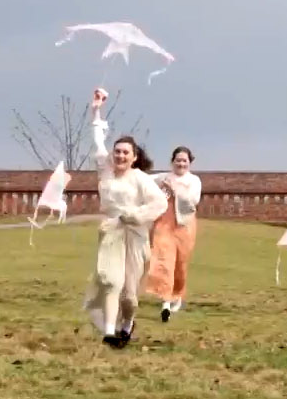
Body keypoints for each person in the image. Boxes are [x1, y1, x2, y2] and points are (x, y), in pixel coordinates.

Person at [83, 89, 168, 348]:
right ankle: (110, 331)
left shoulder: (140, 179)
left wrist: (134, 216)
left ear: (134, 158)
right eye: (117, 151)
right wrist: (96, 109)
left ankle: (127, 324)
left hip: (135, 237)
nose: (120, 156)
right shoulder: (105, 170)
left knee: (129, 295)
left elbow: (159, 203)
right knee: (111, 282)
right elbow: (97, 140)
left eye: (125, 153)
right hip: (111, 233)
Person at [143, 146, 202, 322]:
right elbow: (142, 181)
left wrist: (175, 190)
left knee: (180, 265)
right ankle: (166, 303)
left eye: (184, 160)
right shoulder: (163, 177)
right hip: (163, 225)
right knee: (164, 261)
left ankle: (177, 295)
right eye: (178, 160)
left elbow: (193, 200)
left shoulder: (194, 181)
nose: (181, 164)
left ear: (189, 163)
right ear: (172, 161)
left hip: (184, 226)